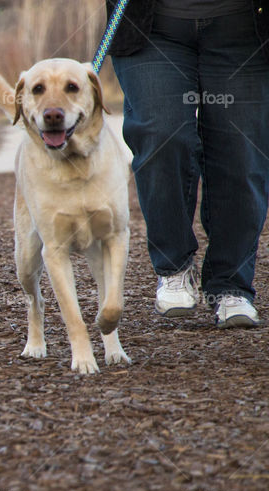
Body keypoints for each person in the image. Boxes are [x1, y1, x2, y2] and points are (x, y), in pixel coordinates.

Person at [108, 0, 269, 327]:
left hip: (245, 29)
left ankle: (230, 286)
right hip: (151, 28)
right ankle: (174, 268)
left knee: (242, 153)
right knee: (160, 133)